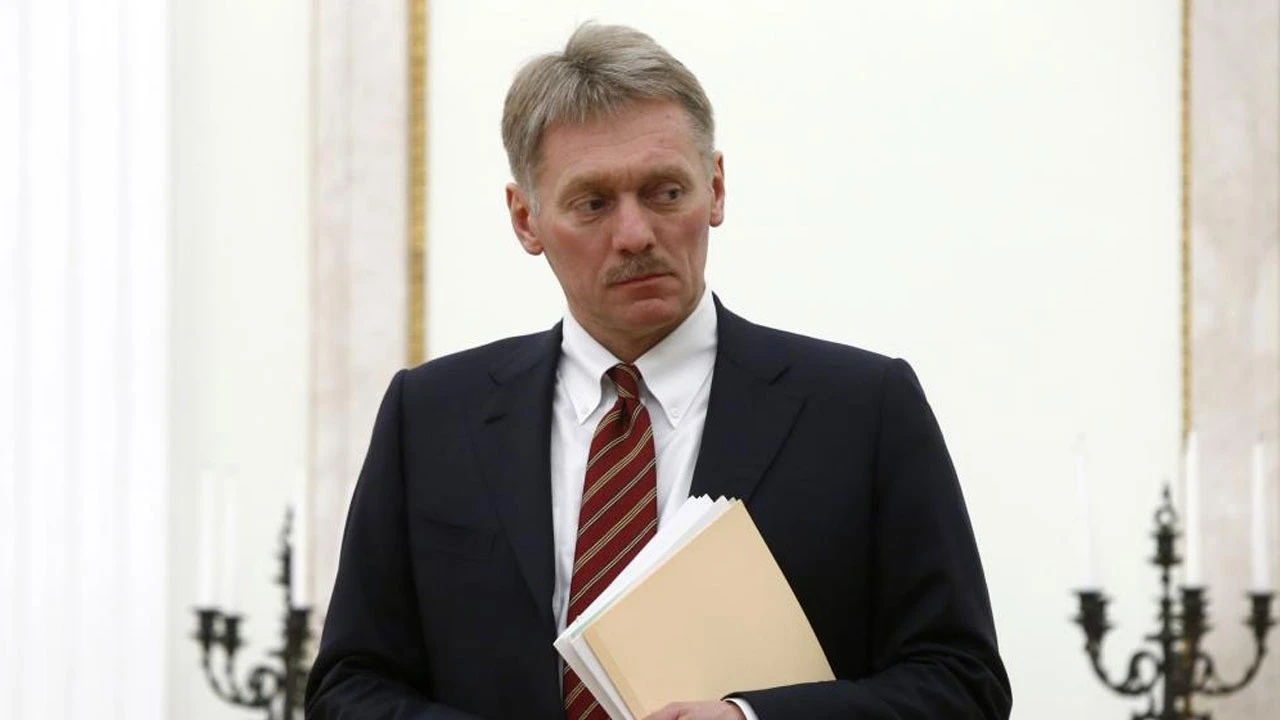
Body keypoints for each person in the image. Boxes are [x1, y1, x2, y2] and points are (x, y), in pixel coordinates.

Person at [306, 22, 1011, 720]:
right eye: (592, 203)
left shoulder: (863, 411)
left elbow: (962, 683)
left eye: (665, 192)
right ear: (525, 219)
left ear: (716, 188)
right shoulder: (431, 417)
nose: (635, 234)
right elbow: (349, 687)